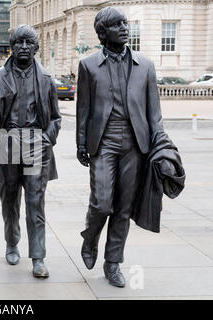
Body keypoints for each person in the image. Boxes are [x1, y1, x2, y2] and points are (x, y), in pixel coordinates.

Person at [76, 7, 164, 287]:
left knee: (124, 207)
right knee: (102, 202)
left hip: (135, 144)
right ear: (103, 32)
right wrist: (81, 142)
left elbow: (154, 113)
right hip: (103, 141)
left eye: (125, 23)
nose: (125, 28)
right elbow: (84, 109)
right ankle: (90, 236)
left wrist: (159, 145)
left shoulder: (145, 65)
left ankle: (113, 262)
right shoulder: (88, 65)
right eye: (117, 25)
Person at [0, 25, 61, 278]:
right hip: (7, 143)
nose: (24, 47)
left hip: (36, 145)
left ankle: (38, 256)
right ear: (11, 47)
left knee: (35, 203)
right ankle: (11, 242)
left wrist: (46, 140)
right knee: (9, 200)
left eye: (29, 43)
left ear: (37, 48)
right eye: (19, 42)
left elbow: (56, 119)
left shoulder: (47, 80)